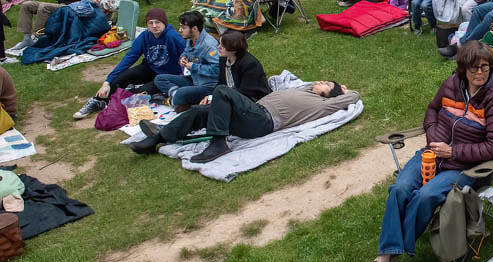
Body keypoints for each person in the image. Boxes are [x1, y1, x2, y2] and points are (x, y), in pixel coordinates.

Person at [354, 41, 493, 262]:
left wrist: (453, 150)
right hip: (433, 153)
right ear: (463, 68)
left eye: (485, 67)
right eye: (474, 68)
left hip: (463, 165)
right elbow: (432, 111)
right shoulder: (452, 84)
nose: (480, 73)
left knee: (425, 196)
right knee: (400, 189)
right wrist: (435, 140)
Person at [130, 80, 360, 163]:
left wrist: (343, 91)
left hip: (264, 120)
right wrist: (329, 87)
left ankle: (218, 143)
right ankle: (158, 138)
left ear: (330, 95)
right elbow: (307, 84)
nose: (320, 82)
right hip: (253, 115)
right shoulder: (306, 90)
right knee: (202, 112)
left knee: (222, 91)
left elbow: (353, 97)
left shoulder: (323, 105)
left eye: (326, 84)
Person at [73, 8, 186, 119]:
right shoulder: (145, 36)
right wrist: (107, 82)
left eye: (158, 22)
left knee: (137, 95)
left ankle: (143, 95)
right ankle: (99, 101)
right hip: (149, 68)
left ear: (164, 23)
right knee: (119, 79)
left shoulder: (173, 36)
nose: (154, 26)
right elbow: (129, 58)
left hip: (166, 76)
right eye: (150, 23)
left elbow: (188, 54)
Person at [153, 11, 220, 111]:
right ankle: (176, 98)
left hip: (208, 86)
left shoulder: (208, 45)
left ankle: (176, 100)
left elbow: (217, 70)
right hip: (194, 79)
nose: (180, 30)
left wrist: (193, 66)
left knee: (181, 92)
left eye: (183, 27)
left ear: (195, 28)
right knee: (159, 79)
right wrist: (182, 58)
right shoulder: (190, 39)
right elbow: (186, 52)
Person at [213, 29, 270, 102]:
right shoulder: (224, 59)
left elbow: (246, 93)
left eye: (223, 46)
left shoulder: (250, 64)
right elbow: (221, 83)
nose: (218, 47)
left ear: (233, 49)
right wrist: (211, 96)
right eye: (219, 43)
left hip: (250, 102)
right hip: (230, 99)